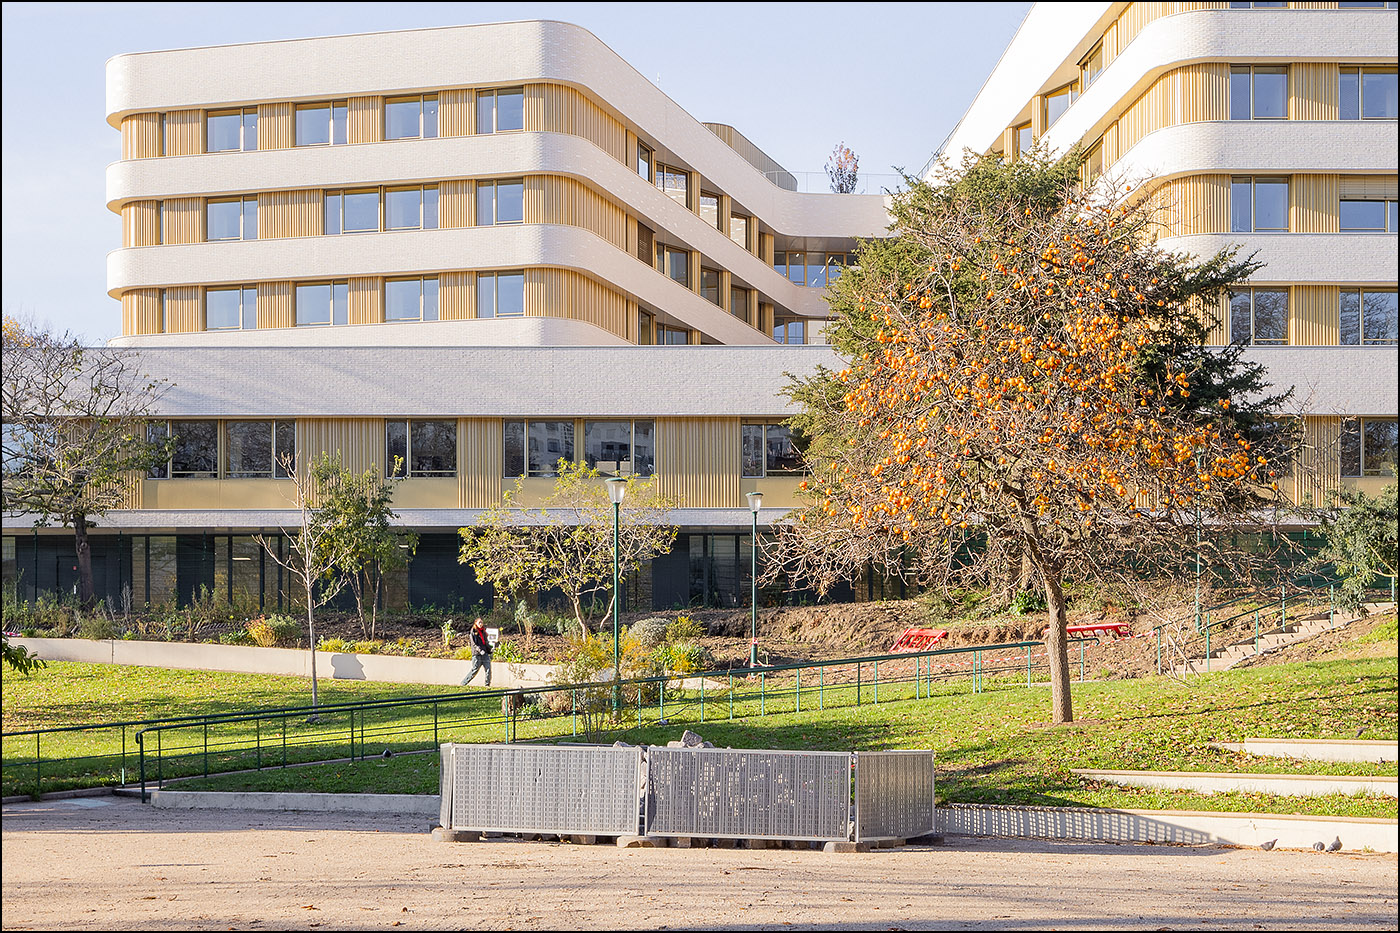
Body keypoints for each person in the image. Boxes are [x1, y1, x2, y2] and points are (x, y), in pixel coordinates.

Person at [460, 617, 493, 687]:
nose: (481, 624)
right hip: (477, 654)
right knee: (475, 670)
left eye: (481, 622)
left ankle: (487, 685)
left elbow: (485, 642)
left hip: (485, 653)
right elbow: (473, 644)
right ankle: (463, 683)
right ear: (476, 623)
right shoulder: (473, 631)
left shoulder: (483, 631)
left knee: (488, 669)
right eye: (479, 622)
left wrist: (490, 649)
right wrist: (479, 650)